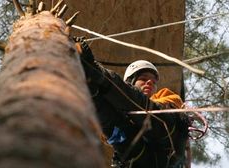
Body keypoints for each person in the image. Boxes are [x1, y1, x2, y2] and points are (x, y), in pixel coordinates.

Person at [74, 37, 190, 168]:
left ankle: (96, 72)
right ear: (131, 82)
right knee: (113, 125)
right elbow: (106, 133)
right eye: (143, 79)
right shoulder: (123, 113)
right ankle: (92, 90)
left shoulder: (165, 95)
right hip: (144, 159)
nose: (150, 82)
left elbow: (139, 102)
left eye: (153, 81)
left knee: (142, 107)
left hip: (167, 144)